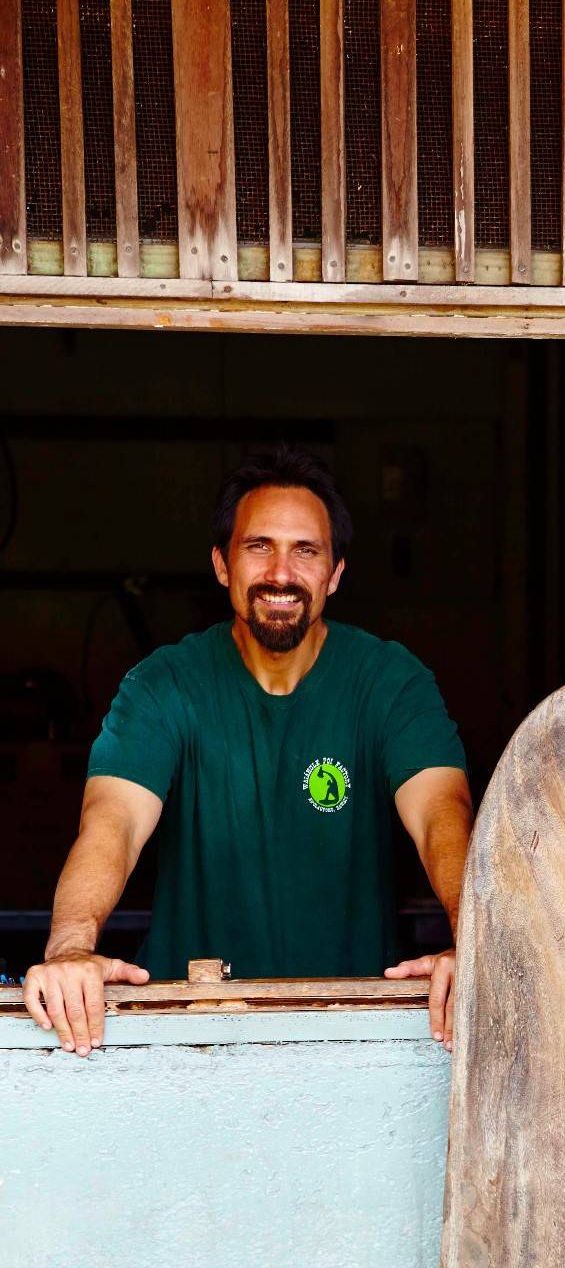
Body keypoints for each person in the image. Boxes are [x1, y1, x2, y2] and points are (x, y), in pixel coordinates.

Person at [23, 444, 472, 1055]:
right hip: (186, 1035)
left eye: (305, 551)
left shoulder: (391, 683)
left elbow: (442, 817)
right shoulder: (164, 685)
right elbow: (114, 825)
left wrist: (476, 945)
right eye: (259, 546)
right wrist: (71, 949)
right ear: (221, 564)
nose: (281, 574)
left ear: (336, 573)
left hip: (363, 1030)